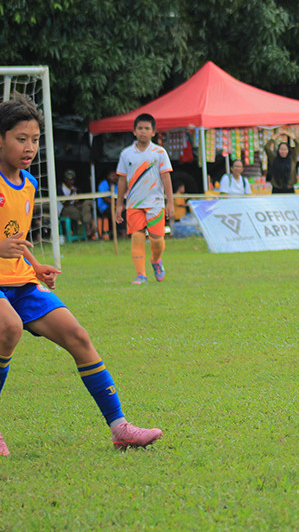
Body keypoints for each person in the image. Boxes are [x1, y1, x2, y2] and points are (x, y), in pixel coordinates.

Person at [0, 94, 162, 456]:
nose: (29, 148)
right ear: (0, 138)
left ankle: (120, 428)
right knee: (8, 328)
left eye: (35, 139)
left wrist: (34, 264)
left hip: (20, 282)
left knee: (78, 335)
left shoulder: (26, 184)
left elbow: (14, 236)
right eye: (20, 139)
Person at [115, 113, 173, 285]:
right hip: (134, 203)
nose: (143, 132)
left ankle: (156, 260)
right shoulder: (126, 154)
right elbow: (122, 179)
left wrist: (170, 201)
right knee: (137, 237)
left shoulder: (159, 152)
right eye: (140, 128)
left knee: (157, 239)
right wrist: (119, 205)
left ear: (153, 132)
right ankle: (141, 274)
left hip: (155, 203)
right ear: (134, 131)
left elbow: (166, 177)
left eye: (147, 128)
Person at [58, 169, 96, 240]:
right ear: (65, 179)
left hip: (76, 206)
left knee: (87, 205)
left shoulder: (76, 188)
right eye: (69, 179)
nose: (71, 181)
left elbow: (80, 200)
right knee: (83, 213)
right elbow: (65, 203)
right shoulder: (60, 188)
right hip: (65, 209)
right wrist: (71, 193)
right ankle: (89, 228)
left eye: (72, 179)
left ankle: (88, 228)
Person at [96, 168, 118, 240]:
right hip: (104, 207)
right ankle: (113, 233)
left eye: (116, 175)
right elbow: (105, 198)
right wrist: (116, 205)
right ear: (108, 176)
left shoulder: (118, 184)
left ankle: (121, 232)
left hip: (116, 205)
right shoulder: (103, 184)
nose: (115, 177)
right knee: (114, 212)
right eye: (112, 176)